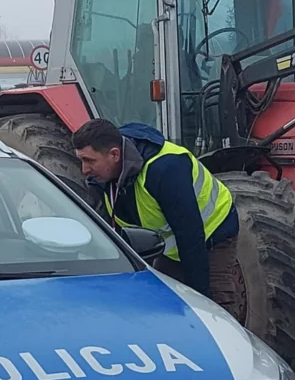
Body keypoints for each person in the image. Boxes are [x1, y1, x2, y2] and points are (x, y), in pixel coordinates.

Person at [71, 119, 246, 324]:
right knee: (161, 302)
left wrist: (202, 308)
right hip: (168, 243)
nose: (84, 170)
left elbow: (190, 236)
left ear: (115, 154)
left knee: (213, 307)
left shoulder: (165, 168)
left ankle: (227, 345)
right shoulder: (104, 177)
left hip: (212, 232)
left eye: (89, 161)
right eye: (81, 160)